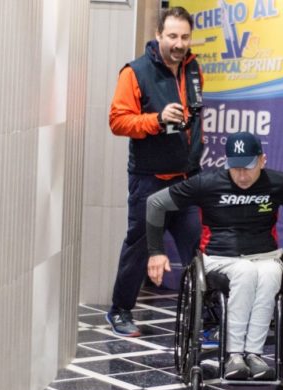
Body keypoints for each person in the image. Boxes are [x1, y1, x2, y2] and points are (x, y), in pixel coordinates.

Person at [146, 132, 283, 380]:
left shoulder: (279, 183)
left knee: (271, 273)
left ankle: (254, 355)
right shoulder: (208, 183)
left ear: (262, 160)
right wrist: (156, 252)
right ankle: (234, 355)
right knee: (245, 271)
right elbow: (155, 203)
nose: (242, 175)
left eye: (248, 167)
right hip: (220, 258)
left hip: (265, 255)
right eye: (235, 168)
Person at [106, 7, 204, 337]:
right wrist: (157, 119)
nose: (179, 43)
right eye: (172, 36)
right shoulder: (134, 72)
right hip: (149, 180)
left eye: (185, 37)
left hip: (186, 179)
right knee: (139, 247)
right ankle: (120, 311)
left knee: (197, 249)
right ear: (158, 34)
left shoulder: (193, 68)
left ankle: (207, 318)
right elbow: (117, 121)